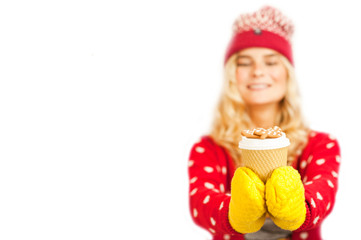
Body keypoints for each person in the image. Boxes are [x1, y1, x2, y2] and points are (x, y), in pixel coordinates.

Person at [188, 6, 340, 240]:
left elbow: (324, 190)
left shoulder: (320, 145)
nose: (258, 71)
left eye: (271, 62)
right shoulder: (209, 149)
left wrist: (298, 209)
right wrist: (235, 212)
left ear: (287, 73)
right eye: (244, 63)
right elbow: (201, 202)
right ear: (231, 74)